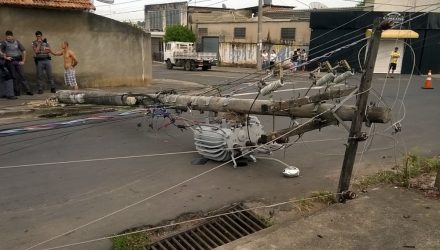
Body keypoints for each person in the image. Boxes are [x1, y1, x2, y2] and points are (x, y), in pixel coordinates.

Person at [0, 30, 33, 96]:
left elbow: (24, 51)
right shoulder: (3, 43)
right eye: (7, 37)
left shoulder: (17, 42)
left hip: (18, 60)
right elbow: (0, 51)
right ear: (6, 37)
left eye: (9, 37)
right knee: (14, 77)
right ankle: (16, 92)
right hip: (10, 61)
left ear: (12, 36)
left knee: (22, 75)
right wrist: (5, 57)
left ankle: (28, 90)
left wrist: (23, 60)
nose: (8, 38)